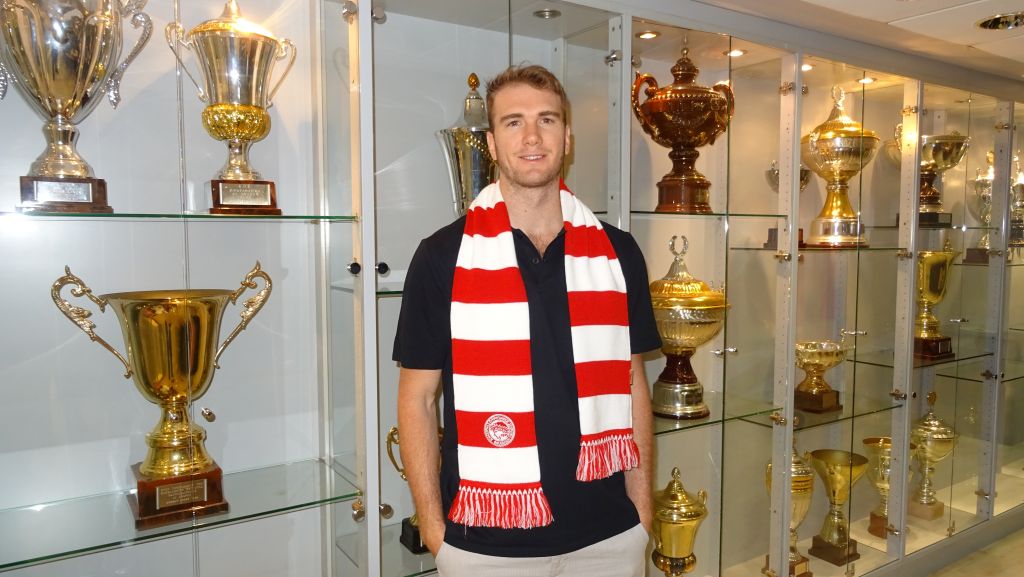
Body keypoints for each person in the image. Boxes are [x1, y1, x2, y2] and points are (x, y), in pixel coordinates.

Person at [394, 64, 660, 577]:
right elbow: (418, 399)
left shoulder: (618, 253)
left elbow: (633, 383)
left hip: (609, 534)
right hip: (483, 544)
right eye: (513, 122)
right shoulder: (442, 256)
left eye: (547, 119)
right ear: (492, 143)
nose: (532, 136)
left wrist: (640, 515)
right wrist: (433, 529)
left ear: (568, 137)